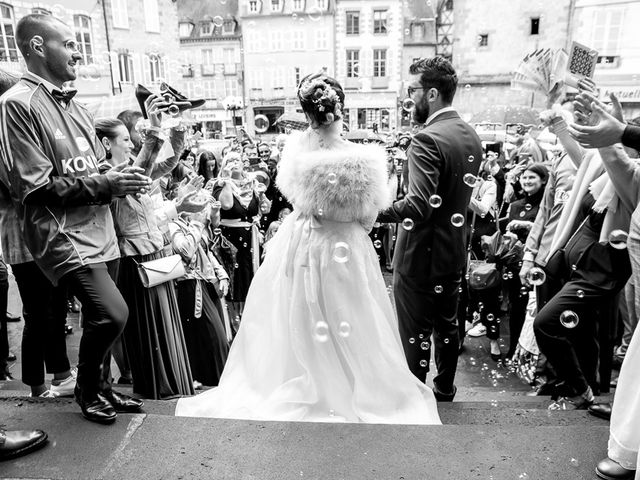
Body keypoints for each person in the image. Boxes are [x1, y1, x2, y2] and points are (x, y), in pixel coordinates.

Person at [175, 73, 441, 424]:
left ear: (308, 113)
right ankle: (349, 386)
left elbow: (291, 196)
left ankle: (304, 378)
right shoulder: (363, 160)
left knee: (296, 315)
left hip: (301, 244)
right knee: (351, 316)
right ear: (340, 108)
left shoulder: (297, 152)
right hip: (344, 244)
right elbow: (367, 219)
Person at [0, 14, 149, 423]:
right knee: (110, 313)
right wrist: (107, 185)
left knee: (110, 317)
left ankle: (103, 388)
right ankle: (86, 390)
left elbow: (99, 167)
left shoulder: (78, 106)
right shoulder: (17, 104)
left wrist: (124, 173)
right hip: (61, 232)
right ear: (36, 46)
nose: (77, 50)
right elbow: (33, 188)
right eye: (67, 43)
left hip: (102, 230)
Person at [377, 57, 483, 401]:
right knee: (447, 324)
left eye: (413, 90)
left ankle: (416, 396)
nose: (410, 98)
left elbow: (419, 206)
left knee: (414, 330)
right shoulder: (471, 136)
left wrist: (374, 211)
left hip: (418, 253)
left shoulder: (426, 139)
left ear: (432, 93)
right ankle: (444, 389)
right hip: (453, 250)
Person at [95, 115, 196, 399]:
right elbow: (145, 166)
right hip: (133, 259)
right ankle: (155, 389)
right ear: (106, 143)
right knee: (149, 331)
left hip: (155, 254)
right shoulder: (106, 176)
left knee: (165, 325)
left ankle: (173, 385)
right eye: (125, 139)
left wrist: (176, 127)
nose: (131, 144)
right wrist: (153, 126)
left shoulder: (130, 173)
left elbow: (168, 163)